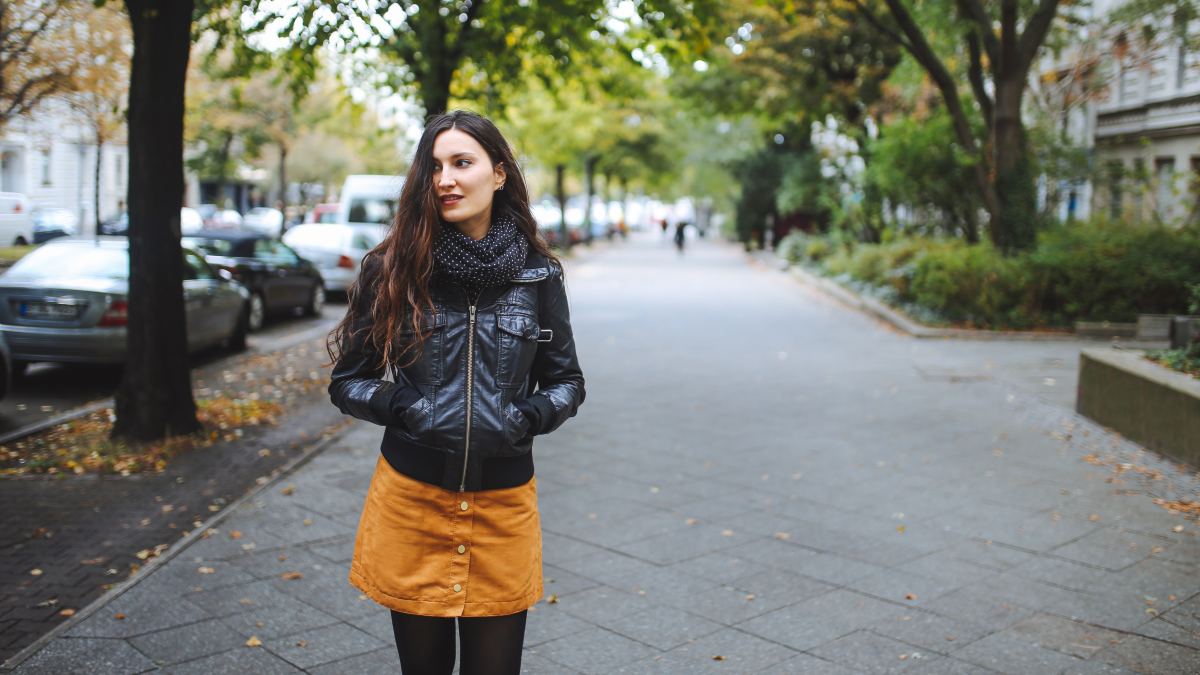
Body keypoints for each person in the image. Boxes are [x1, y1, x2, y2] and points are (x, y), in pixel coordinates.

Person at [327, 110, 585, 675]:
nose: (445, 179)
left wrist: (526, 417)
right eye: (434, 167)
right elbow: (348, 382)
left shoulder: (539, 277)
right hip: (412, 500)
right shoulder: (393, 269)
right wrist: (406, 407)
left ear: (498, 174)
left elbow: (568, 383)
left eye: (462, 163)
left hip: (503, 507)